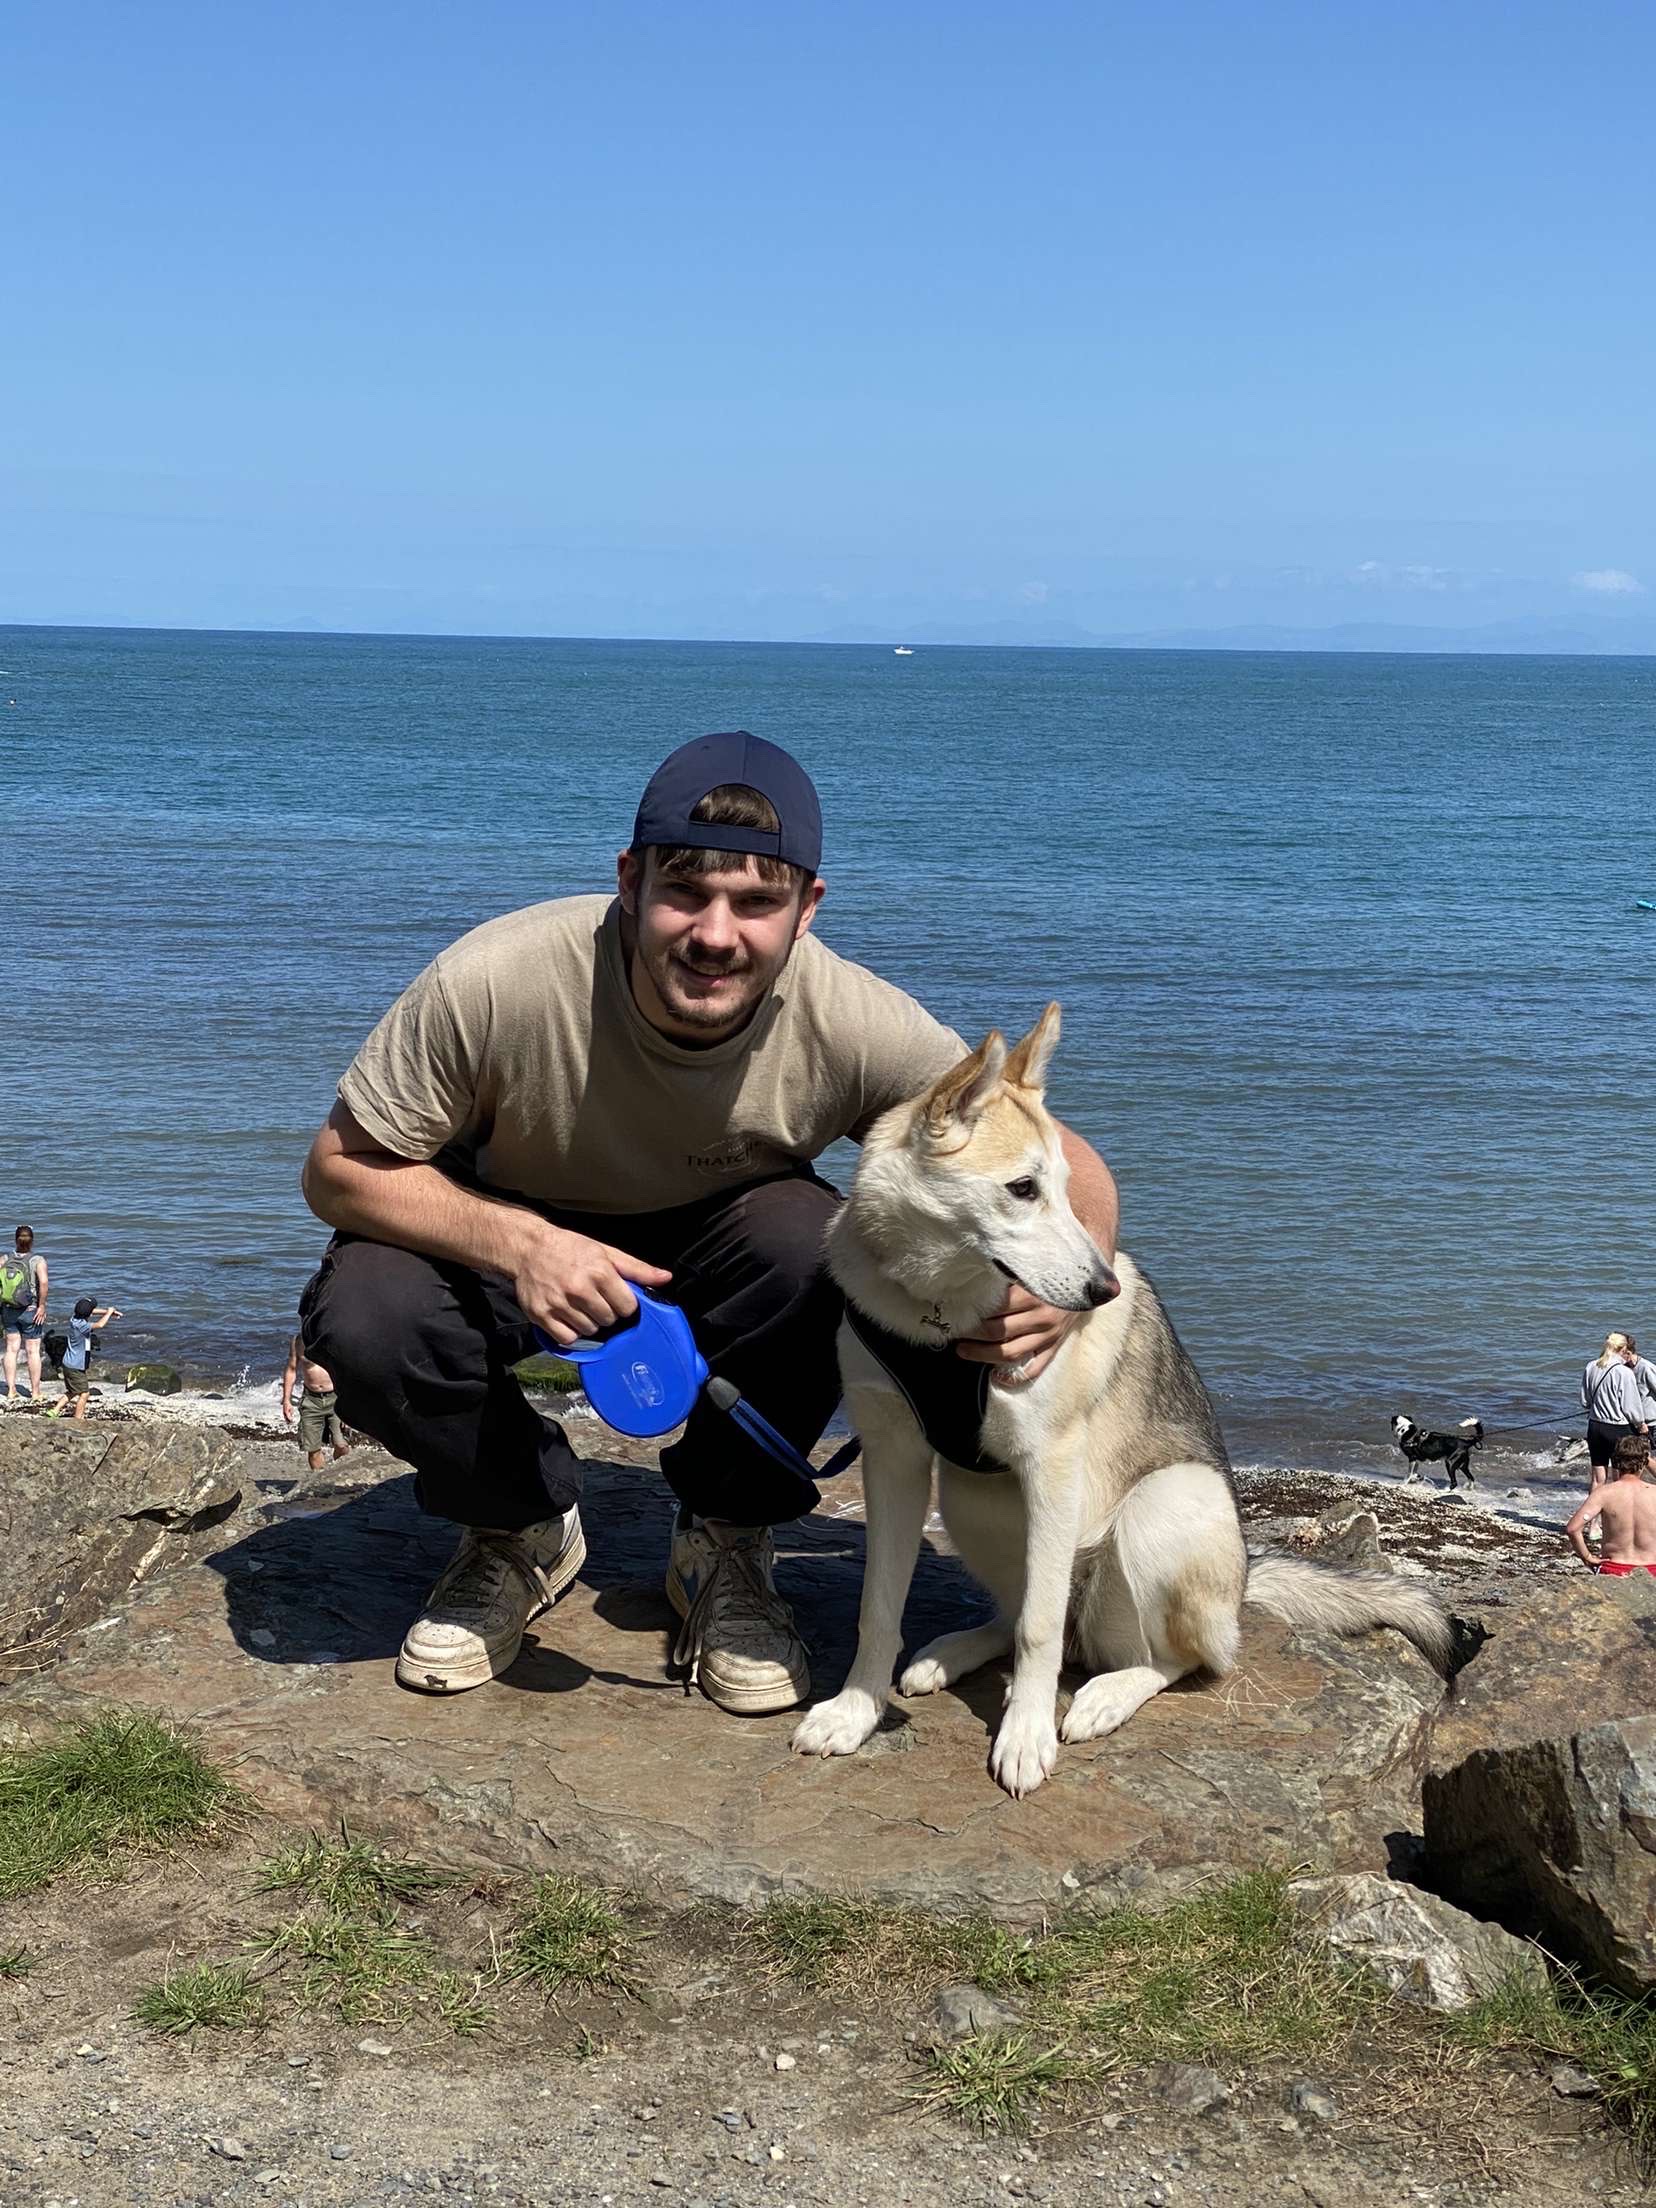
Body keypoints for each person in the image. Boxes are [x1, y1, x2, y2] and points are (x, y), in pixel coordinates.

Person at [299, 731, 1119, 1717]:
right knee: (370, 1313)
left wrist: (1061, 1297)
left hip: (723, 1257)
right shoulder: (496, 979)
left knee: (818, 1245)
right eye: (685, 890)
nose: (716, 933)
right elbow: (338, 1170)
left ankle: (725, 1535)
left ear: (806, 910)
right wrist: (523, 1244)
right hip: (509, 1243)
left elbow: (1060, 1162)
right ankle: (517, 1524)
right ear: (630, 881)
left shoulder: (855, 1020)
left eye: (757, 903)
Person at [1565, 1430, 1656, 1574]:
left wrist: (1587, 1557)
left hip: (1613, 1568)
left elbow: (1572, 1529)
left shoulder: (1604, 1493)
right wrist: (1645, 1458)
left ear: (1616, 1462)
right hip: (1651, 1569)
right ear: (1644, 1463)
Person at [1580, 1332, 1651, 1490]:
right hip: (1618, 1429)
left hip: (1595, 1427)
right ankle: (1618, 1513)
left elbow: (1585, 1401)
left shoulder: (1591, 1366)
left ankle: (1594, 1514)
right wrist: (1641, 1425)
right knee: (1620, 1480)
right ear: (1623, 1349)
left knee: (1598, 1480)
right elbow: (1631, 1406)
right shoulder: (1624, 1372)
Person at [281, 1331, 352, 1471]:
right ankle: (322, 1482)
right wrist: (286, 1401)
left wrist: (349, 1402)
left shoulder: (334, 1338)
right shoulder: (298, 1341)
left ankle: (337, 1474)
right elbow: (291, 1370)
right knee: (313, 1449)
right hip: (311, 1400)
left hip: (336, 1398)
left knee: (342, 1445)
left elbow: (347, 1369)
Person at [50, 1295, 121, 1422]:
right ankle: (78, 1418)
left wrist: (109, 1312)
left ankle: (55, 1410)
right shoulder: (83, 1326)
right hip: (76, 1365)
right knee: (84, 1393)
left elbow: (92, 1311)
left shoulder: (74, 1319)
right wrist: (109, 1312)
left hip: (68, 1362)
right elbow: (100, 1325)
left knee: (72, 1391)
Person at [1, 1225, 48, 1407]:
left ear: (15, 1240)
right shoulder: (37, 1260)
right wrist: (41, 1306)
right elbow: (43, 1283)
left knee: (11, 1349)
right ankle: (35, 1392)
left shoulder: (5, 1259)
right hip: (30, 1310)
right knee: (32, 1351)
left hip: (9, 1308)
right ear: (32, 1240)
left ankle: (11, 1390)